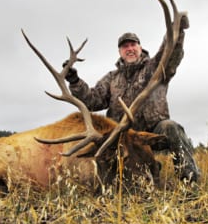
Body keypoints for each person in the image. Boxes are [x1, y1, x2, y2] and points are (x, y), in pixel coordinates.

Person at [63, 15, 200, 183]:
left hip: (151, 132)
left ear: (140, 48)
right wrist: (75, 81)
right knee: (102, 149)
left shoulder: (155, 68)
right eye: (125, 46)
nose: (130, 49)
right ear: (120, 52)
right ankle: (144, 169)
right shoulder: (112, 78)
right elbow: (92, 101)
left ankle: (189, 179)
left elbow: (170, 54)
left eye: (133, 44)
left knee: (171, 127)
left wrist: (176, 30)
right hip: (122, 136)